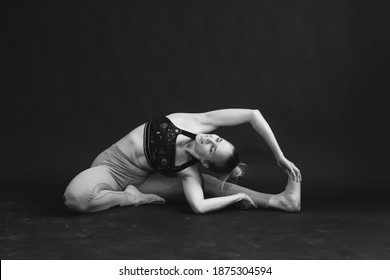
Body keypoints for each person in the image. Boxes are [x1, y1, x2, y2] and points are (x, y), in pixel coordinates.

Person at [63, 108, 301, 214]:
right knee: (75, 198)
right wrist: (279, 155)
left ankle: (282, 201)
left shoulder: (188, 171)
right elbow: (252, 114)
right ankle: (130, 198)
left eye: (212, 147)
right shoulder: (199, 122)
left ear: (205, 161)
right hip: (110, 168)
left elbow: (198, 207)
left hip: (141, 180)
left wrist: (237, 197)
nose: (210, 139)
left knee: (206, 184)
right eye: (217, 138)